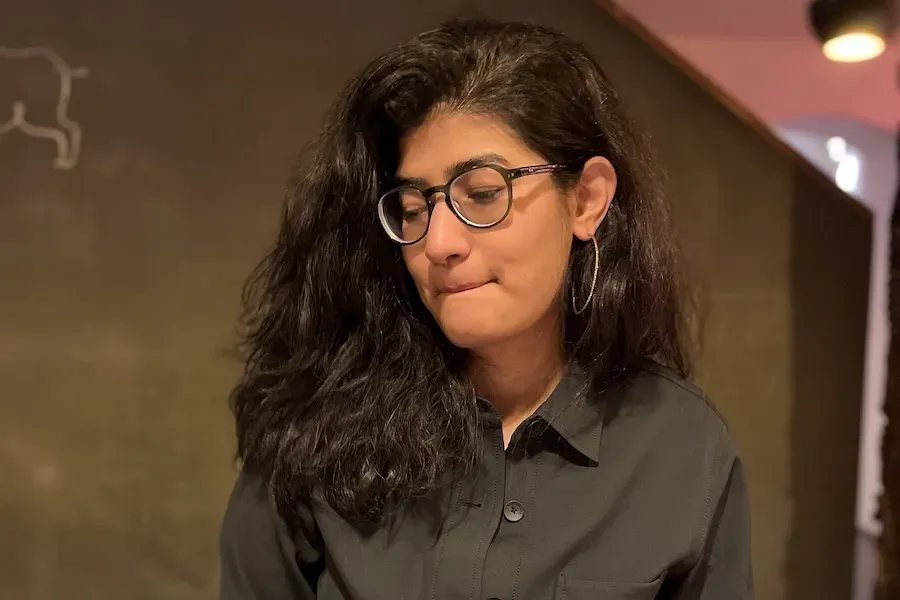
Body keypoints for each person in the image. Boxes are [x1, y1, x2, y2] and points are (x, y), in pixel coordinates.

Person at [219, 17, 753, 600]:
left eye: (482, 193)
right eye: (415, 205)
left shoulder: (681, 447)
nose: (439, 241)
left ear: (587, 200)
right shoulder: (310, 427)